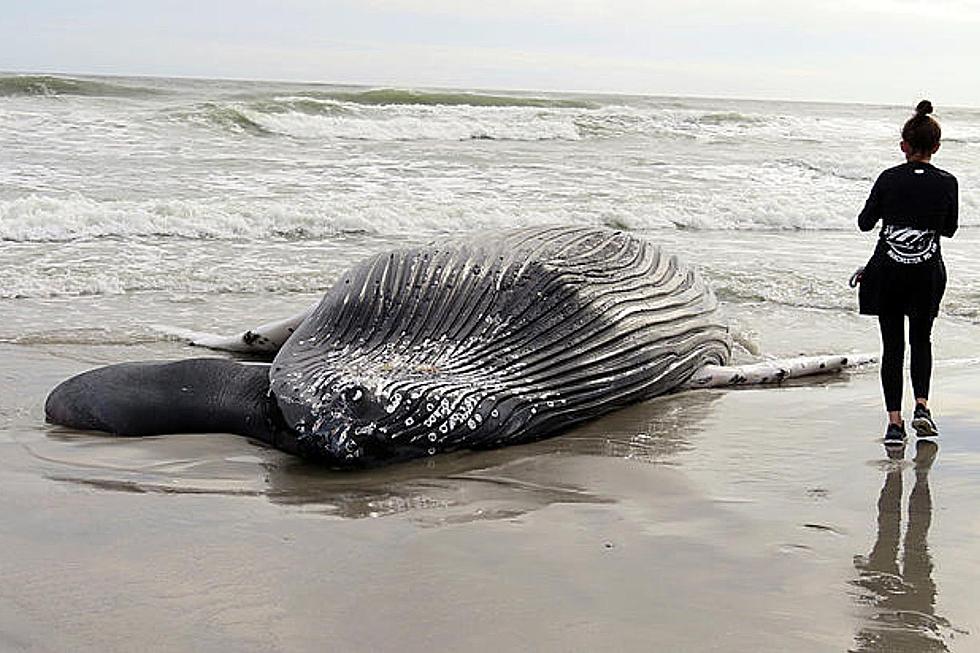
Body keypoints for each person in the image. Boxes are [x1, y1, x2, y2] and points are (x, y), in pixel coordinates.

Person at [857, 100, 958, 445]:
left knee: (893, 347)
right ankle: (922, 407)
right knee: (922, 341)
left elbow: (865, 223)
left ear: (904, 146)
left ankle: (894, 425)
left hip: (888, 274)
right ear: (936, 147)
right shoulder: (948, 182)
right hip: (927, 275)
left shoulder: (888, 178)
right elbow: (949, 230)